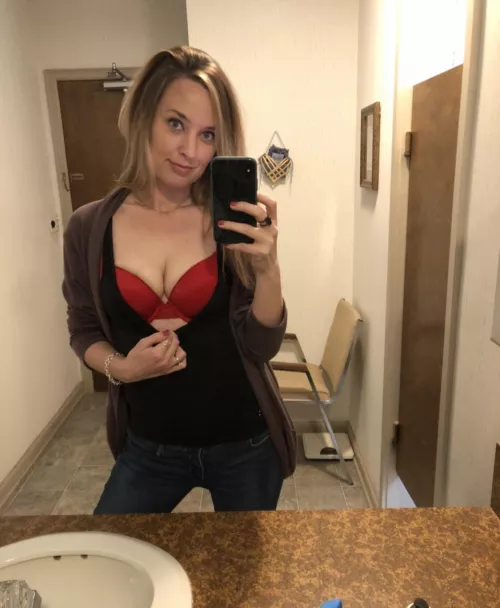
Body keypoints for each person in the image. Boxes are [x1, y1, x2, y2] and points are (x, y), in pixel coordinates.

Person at [62, 46, 297, 514]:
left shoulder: (230, 222)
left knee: (242, 565)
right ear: (143, 118)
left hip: (245, 444)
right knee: (110, 552)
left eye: (207, 134)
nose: (191, 151)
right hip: (150, 446)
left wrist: (269, 268)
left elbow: (262, 346)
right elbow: (83, 327)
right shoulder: (89, 227)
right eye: (175, 124)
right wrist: (121, 369)